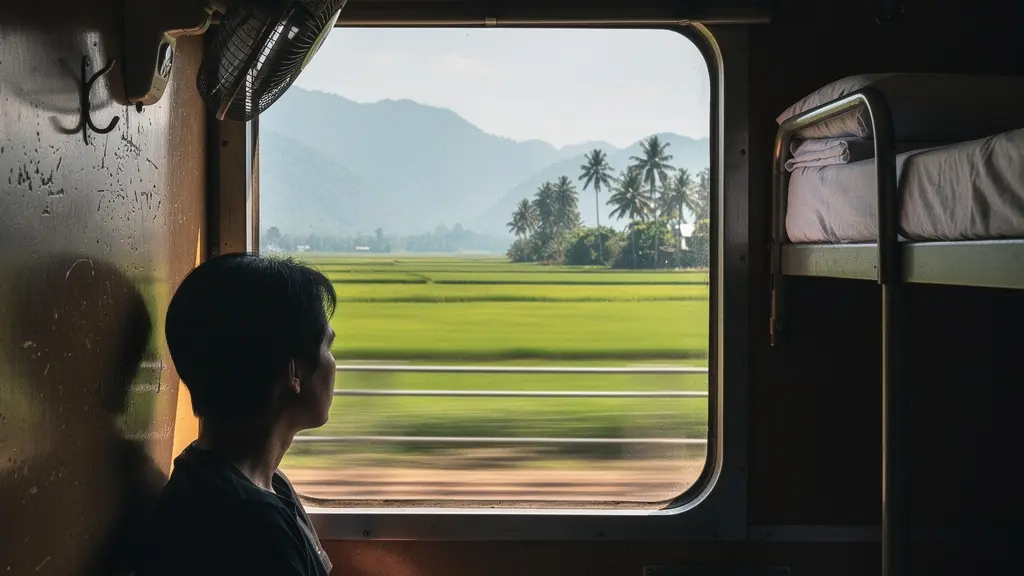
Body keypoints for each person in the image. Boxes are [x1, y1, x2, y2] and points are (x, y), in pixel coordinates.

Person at [138, 253, 338, 576]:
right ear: (294, 373)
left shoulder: (265, 484)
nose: (332, 362)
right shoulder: (248, 527)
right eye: (328, 347)